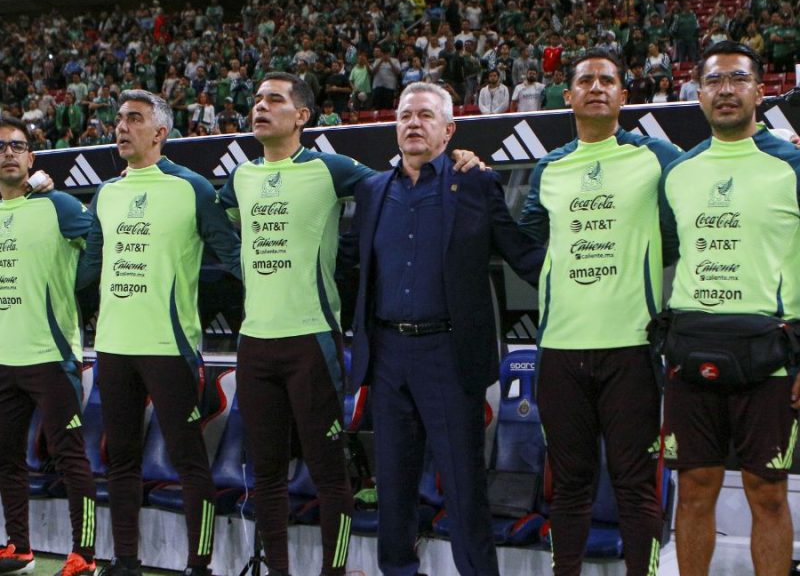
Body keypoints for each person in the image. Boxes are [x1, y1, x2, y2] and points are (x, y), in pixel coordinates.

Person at [217, 72, 482, 576]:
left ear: (302, 116)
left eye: (274, 99)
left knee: (328, 471)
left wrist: (458, 161)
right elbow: (218, 222)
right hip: (253, 343)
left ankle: (334, 572)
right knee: (267, 474)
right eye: (256, 100)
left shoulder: (332, 169)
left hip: (311, 340)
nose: (260, 107)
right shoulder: (241, 177)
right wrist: (242, 264)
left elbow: (400, 181)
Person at [340, 81, 544, 576]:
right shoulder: (370, 191)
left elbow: (520, 253)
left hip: (449, 355)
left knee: (464, 487)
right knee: (392, 487)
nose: (413, 123)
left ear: (448, 130)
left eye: (426, 115)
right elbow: (350, 268)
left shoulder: (475, 183)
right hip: (388, 356)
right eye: (406, 115)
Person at [519, 49, 682, 576]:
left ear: (622, 96)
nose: (596, 87)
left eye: (607, 80)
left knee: (635, 486)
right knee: (568, 486)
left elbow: (686, 222)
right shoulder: (549, 167)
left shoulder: (656, 155)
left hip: (632, 348)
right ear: (567, 97)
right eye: (585, 80)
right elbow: (524, 245)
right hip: (561, 351)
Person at [77, 90, 242, 576]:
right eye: (119, 120)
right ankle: (125, 561)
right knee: (121, 461)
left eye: (134, 119)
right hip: (113, 348)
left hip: (169, 348)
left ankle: (200, 565)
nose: (121, 127)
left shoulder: (192, 188)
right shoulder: (105, 192)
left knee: (190, 461)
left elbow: (232, 257)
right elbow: (86, 272)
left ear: (160, 132)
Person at [659, 41, 800, 576]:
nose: (725, 90)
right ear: (698, 95)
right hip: (691, 349)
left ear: (759, 91)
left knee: (768, 493)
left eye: (737, 79)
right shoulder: (679, 171)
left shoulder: (791, 164)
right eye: (714, 81)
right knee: (694, 490)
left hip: (770, 352)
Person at [0, 116, 97, 576]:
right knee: (7, 458)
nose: (9, 153)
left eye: (18, 146)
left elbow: (99, 239)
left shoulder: (57, 204)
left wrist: (74, 285)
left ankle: (86, 554)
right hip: (3, 359)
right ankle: (19, 548)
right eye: (1, 147)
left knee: (70, 457)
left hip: (51, 356)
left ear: (31, 157)